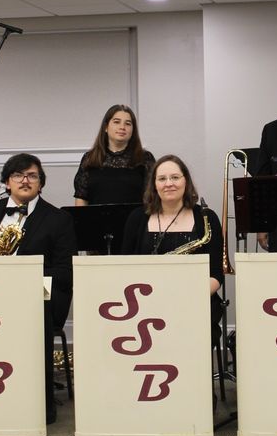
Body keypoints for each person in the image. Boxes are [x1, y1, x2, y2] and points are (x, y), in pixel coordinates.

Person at [0, 153, 75, 424]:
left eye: (32, 175)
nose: (25, 180)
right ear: (7, 182)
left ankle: (38, 406)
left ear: (41, 184)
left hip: (34, 301)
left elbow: (65, 273)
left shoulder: (59, 219)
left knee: (35, 314)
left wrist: (22, 279)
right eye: (18, 175)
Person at [121, 155, 224, 338]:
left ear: (186, 181)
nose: (169, 183)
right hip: (145, 304)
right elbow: (125, 269)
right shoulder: (137, 218)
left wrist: (183, 299)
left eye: (175, 177)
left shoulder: (206, 218)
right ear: (154, 185)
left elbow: (216, 275)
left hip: (194, 303)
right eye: (162, 179)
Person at [73, 104, 154, 205]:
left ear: (133, 130)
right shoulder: (89, 158)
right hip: (95, 220)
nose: (122, 127)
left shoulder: (145, 158)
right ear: (106, 127)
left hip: (134, 220)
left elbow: (152, 198)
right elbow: (81, 198)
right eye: (116, 122)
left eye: (128, 124)